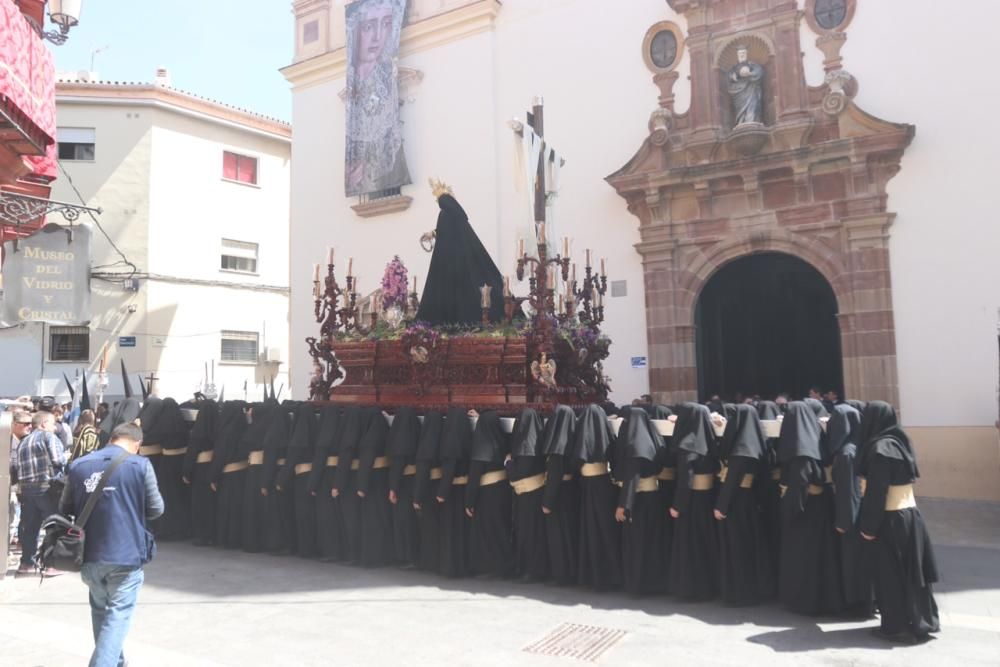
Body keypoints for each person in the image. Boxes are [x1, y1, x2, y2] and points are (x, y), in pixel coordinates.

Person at [60, 422, 163, 667]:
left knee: (101, 611)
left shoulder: (78, 465)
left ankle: (116, 663)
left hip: (89, 554)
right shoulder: (140, 465)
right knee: (117, 616)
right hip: (126, 554)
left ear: (112, 438)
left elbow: (64, 508)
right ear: (137, 445)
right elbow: (156, 509)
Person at [858, 401, 940, 643]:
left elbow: (876, 493)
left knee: (890, 575)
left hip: (890, 519)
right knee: (914, 573)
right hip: (910, 516)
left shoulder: (880, 448)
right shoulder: (899, 441)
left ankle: (896, 626)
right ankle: (924, 620)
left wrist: (868, 527)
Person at [777, 401, 843, 615]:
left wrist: (789, 512)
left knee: (805, 559)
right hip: (819, 509)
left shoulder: (801, 451)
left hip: (805, 512)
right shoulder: (816, 441)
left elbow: (799, 486)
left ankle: (806, 601)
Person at [416, 188, 508, 326]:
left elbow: (444, 232)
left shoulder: (446, 215)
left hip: (453, 265)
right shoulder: (454, 216)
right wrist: (433, 233)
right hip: (458, 263)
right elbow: (443, 231)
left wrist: (434, 234)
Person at [715, 403, 773, 605]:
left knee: (737, 548)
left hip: (735, 503)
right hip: (749, 501)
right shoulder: (756, 444)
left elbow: (731, 481)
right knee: (748, 547)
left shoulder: (741, 450)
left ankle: (738, 593)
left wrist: (721, 506)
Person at [668, 403, 720, 600]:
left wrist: (677, 506)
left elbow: (685, 480)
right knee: (707, 543)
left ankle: (692, 589)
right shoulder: (708, 441)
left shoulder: (687, 444)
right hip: (707, 499)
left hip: (691, 503)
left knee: (691, 546)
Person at [614, 407, 668, 596]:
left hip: (638, 502)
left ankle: (638, 585)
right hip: (652, 498)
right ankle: (655, 583)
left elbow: (631, 479)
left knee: (637, 544)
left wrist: (623, 506)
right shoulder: (651, 441)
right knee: (651, 542)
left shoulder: (635, 446)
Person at [827, 403, 872, 617]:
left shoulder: (846, 454)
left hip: (852, 517)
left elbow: (848, 492)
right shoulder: (861, 446)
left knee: (853, 562)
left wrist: (843, 522)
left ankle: (857, 605)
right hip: (864, 513)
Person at [572, 403, 622, 591]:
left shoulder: (581, 436)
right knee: (606, 531)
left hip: (588, 486)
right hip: (605, 485)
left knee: (591, 531)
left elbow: (576, 460)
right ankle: (612, 575)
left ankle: (595, 576)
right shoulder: (607, 435)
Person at [11, 410, 67, 576]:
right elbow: (58, 460)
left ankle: (26, 563)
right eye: (52, 423)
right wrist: (66, 458)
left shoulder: (23, 442)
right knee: (53, 526)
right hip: (46, 488)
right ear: (43, 424)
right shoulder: (48, 437)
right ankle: (51, 565)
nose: (55, 427)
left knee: (30, 528)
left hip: (27, 491)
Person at [464, 410, 513, 578]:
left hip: (486, 495)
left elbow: (474, 477)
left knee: (487, 531)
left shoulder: (481, 447)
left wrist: (469, 502)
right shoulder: (502, 442)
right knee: (501, 529)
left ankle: (490, 567)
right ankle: (505, 566)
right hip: (502, 491)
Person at [506, 408, 549, 582]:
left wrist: (508, 462)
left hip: (527, 496)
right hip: (537, 492)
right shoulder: (537, 441)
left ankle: (529, 569)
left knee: (527, 533)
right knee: (535, 533)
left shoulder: (525, 446)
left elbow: (517, 473)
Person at [540, 405, 579, 586]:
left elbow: (554, 476)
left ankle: (562, 573)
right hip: (571, 491)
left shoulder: (557, 446)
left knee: (559, 536)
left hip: (558, 495)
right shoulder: (574, 439)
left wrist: (547, 502)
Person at [435, 406, 473, 577]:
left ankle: (450, 568)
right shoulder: (468, 439)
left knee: (450, 530)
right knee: (463, 530)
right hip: (463, 490)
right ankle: (464, 566)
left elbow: (449, 469)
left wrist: (441, 493)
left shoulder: (450, 441)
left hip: (451, 492)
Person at [355, 410, 394, 566]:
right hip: (384, 478)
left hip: (372, 481)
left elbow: (366, 460)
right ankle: (387, 556)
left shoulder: (371, 436)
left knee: (372, 520)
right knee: (383, 518)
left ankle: (373, 558)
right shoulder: (385, 429)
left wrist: (361, 486)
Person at [387, 407, 421, 567]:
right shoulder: (418, 433)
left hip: (403, 485)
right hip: (415, 482)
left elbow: (398, 465)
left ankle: (406, 557)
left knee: (403, 522)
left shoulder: (401, 440)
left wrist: (393, 488)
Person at [412, 411, 444, 572]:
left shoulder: (426, 444)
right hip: (441, 488)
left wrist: (416, 498)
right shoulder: (444, 440)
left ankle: (430, 563)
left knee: (429, 530)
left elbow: (423, 473)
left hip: (429, 490)